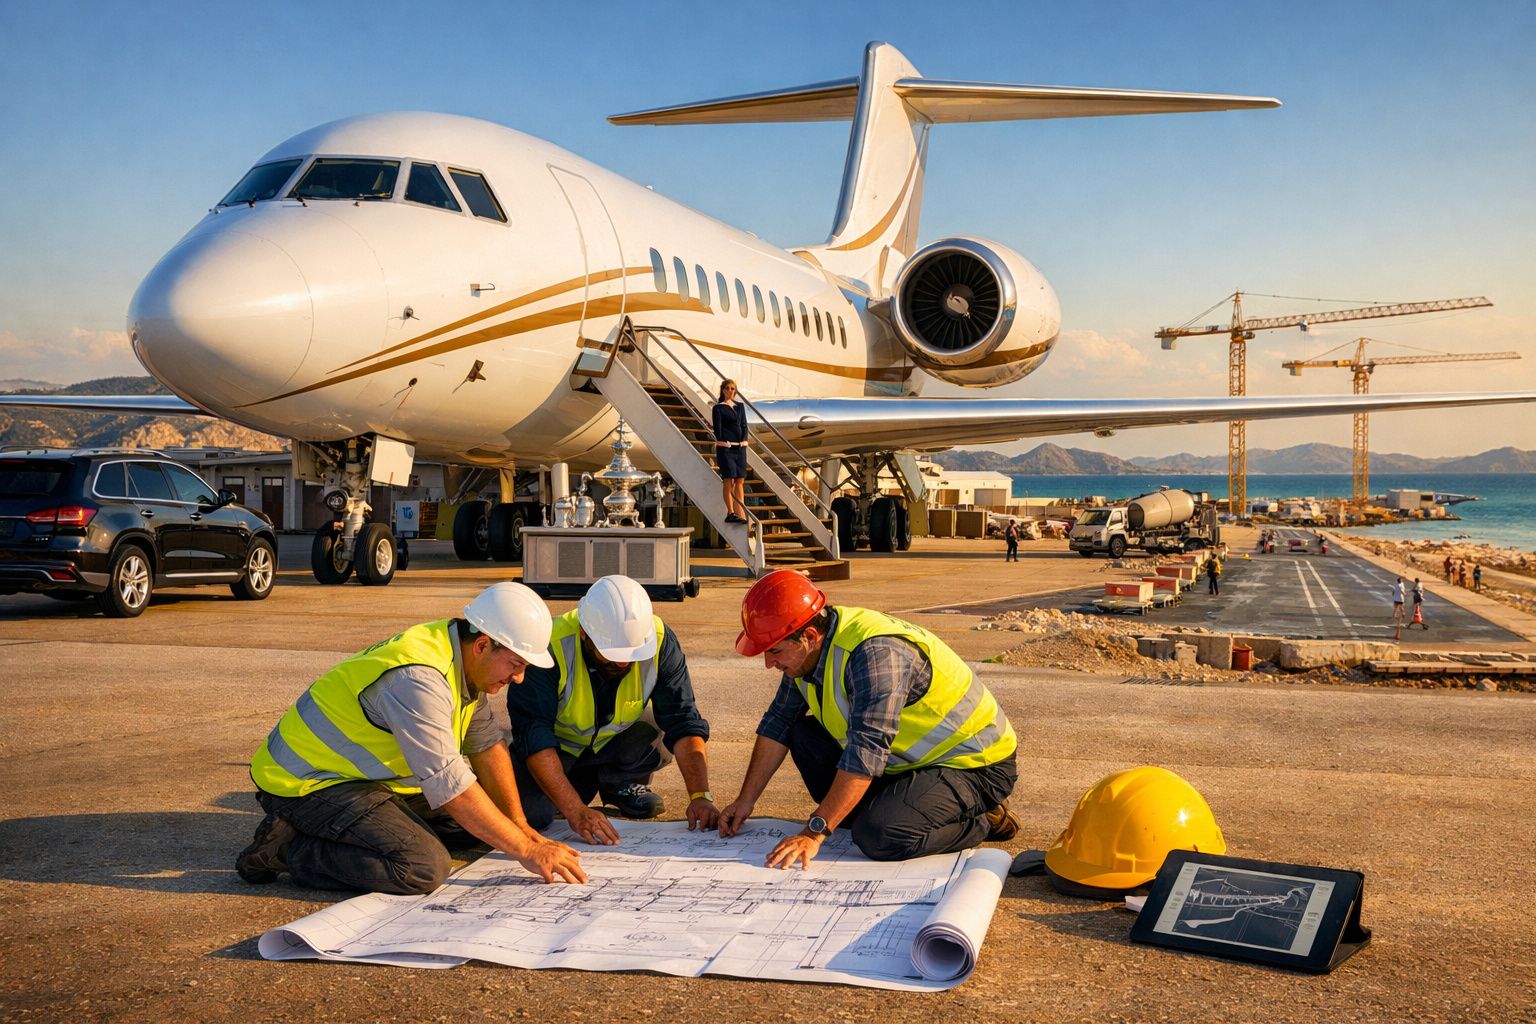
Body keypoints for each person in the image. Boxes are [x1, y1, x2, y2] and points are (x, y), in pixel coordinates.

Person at [236, 583, 587, 894]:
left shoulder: (463, 659)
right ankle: (288, 849)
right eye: (516, 665)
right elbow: (453, 789)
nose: (520, 678)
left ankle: (358, 831)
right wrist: (528, 850)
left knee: (492, 826)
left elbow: (486, 745)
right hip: (309, 782)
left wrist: (519, 824)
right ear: (482, 645)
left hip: (372, 781)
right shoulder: (419, 680)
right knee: (421, 867)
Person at [720, 570, 1019, 869]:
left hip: (974, 765)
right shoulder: (806, 655)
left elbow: (866, 750)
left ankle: (981, 821)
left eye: (774, 651)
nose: (768, 663)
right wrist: (745, 801)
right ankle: (895, 807)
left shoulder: (876, 656)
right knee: (802, 734)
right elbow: (778, 723)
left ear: (809, 636)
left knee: (879, 836)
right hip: (904, 764)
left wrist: (814, 832)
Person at [507, 575, 718, 845]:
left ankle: (616, 782)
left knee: (659, 734)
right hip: (558, 750)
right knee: (533, 815)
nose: (622, 663)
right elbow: (533, 735)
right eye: (612, 652)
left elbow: (684, 719)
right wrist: (575, 810)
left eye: (631, 654)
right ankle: (578, 786)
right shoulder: (550, 645)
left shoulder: (659, 639)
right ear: (585, 632)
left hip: (613, 742)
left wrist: (700, 796)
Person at [712, 379, 749, 524]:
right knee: (729, 479)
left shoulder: (740, 406)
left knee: (740, 480)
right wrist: (723, 441)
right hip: (726, 448)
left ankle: (740, 512)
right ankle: (730, 512)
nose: (730, 391)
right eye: (727, 388)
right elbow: (718, 428)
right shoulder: (718, 408)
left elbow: (744, 425)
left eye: (733, 388)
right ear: (722, 390)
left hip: (740, 448)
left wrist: (744, 440)